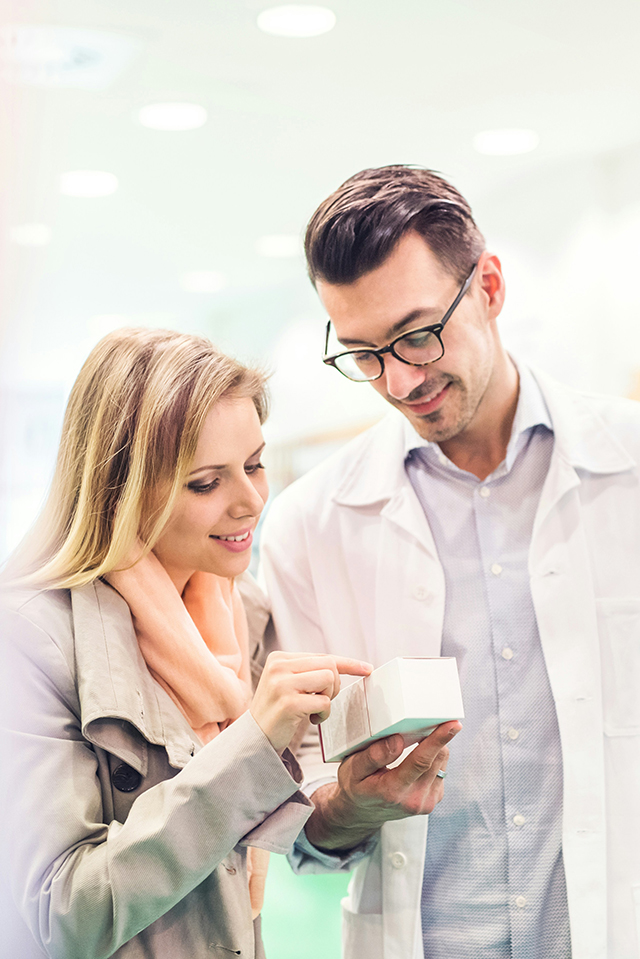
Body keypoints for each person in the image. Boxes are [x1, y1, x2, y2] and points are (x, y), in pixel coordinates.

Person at [259, 165, 640, 959]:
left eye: (418, 332)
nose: (400, 379)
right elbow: (296, 827)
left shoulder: (627, 466)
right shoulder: (308, 526)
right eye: (364, 354)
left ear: (491, 286)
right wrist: (353, 807)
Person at [0, 327, 371, 959]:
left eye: (255, 464)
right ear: (121, 490)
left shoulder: (242, 610)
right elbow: (56, 918)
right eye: (206, 483)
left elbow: (272, 840)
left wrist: (362, 800)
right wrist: (250, 747)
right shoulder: (33, 637)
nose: (252, 500)